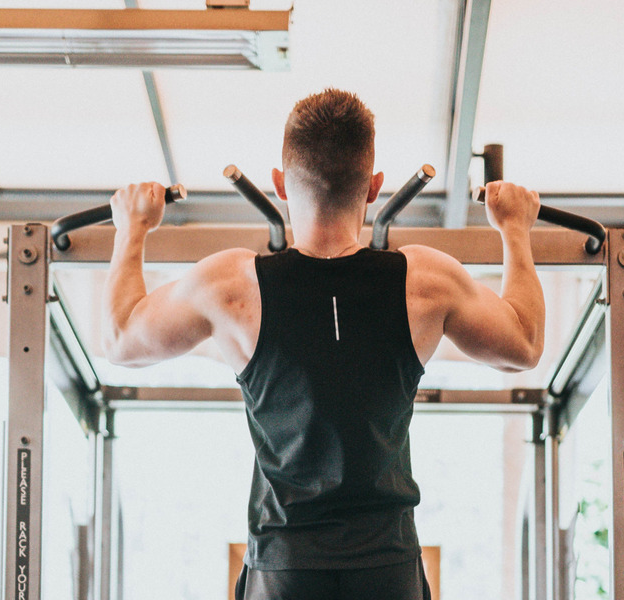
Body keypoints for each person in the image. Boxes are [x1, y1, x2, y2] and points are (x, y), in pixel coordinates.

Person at [103, 88, 545, 600]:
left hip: (285, 566)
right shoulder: (425, 279)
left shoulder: (231, 284)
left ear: (279, 185)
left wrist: (131, 229)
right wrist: (515, 230)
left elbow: (120, 339)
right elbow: (525, 344)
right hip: (387, 567)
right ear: (375, 187)